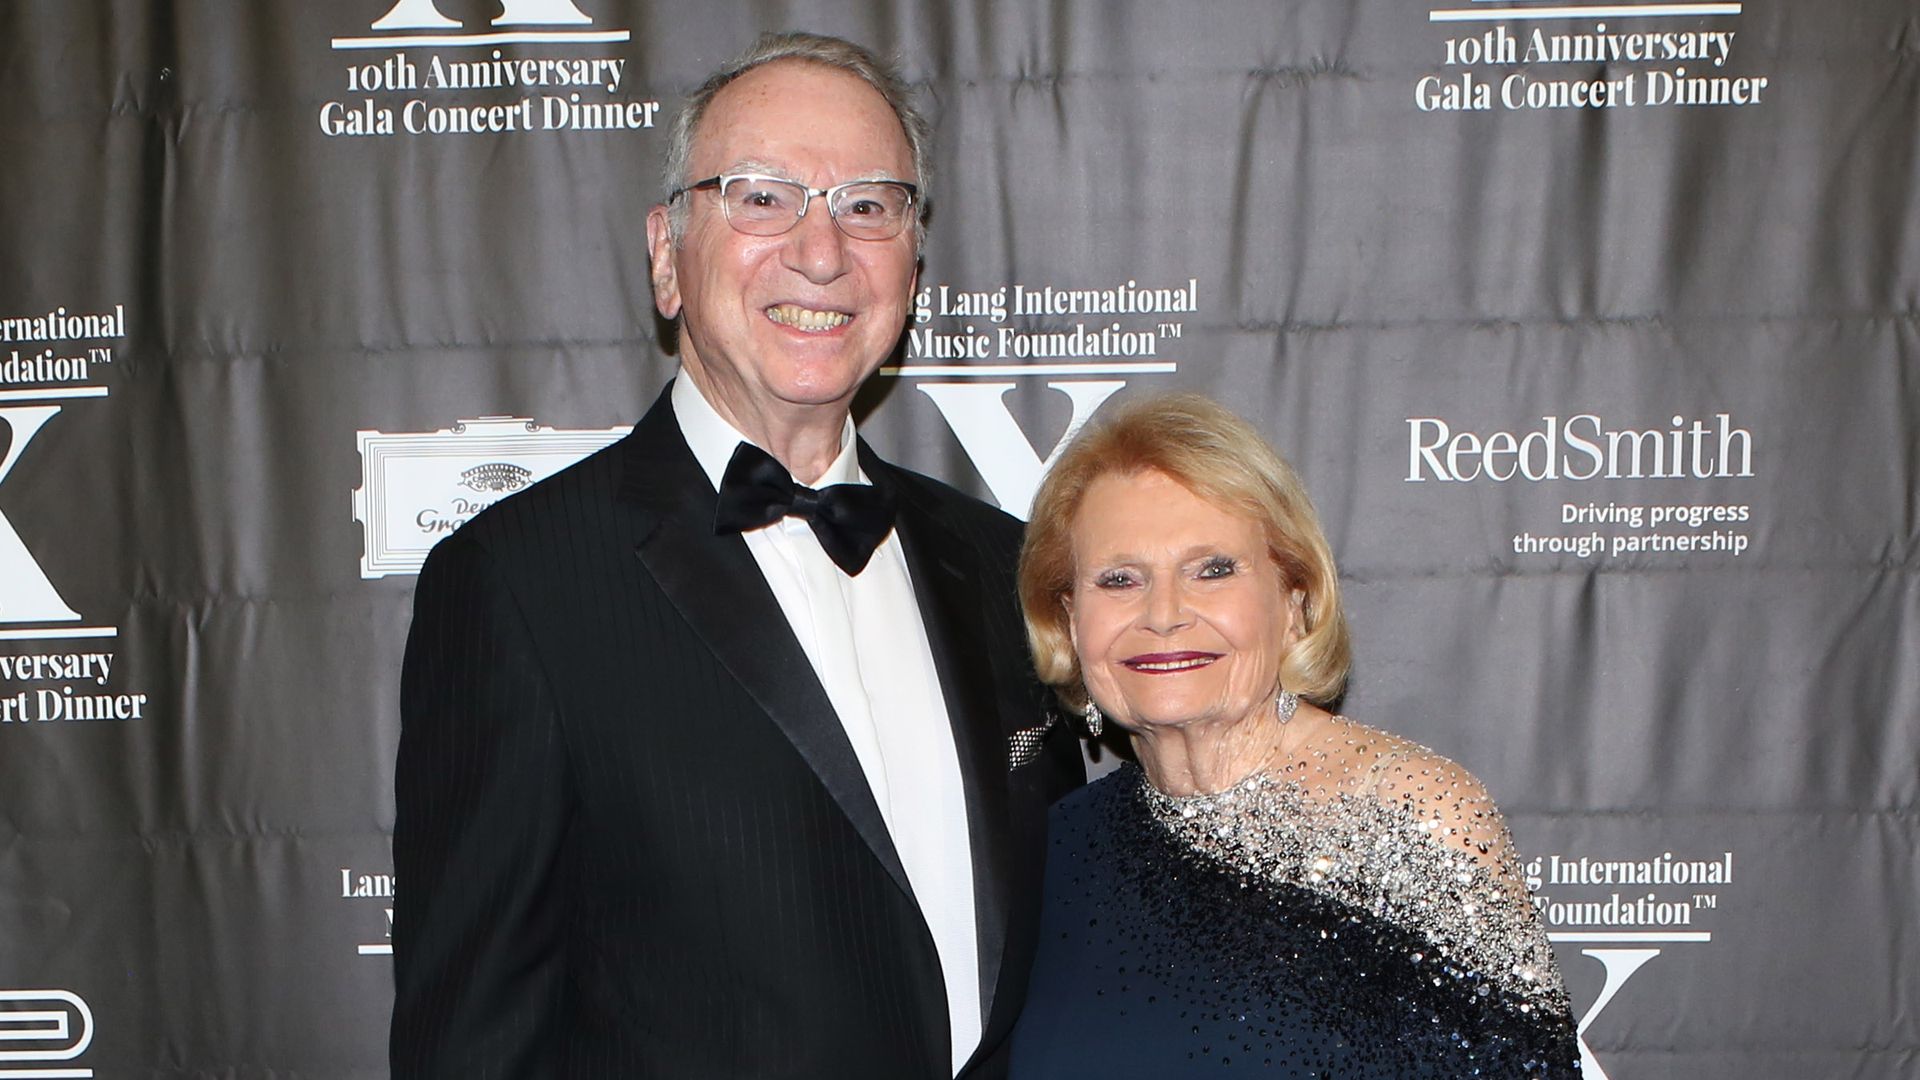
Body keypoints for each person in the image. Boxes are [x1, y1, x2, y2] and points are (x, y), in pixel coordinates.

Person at [390, 31, 1082, 1079]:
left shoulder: (998, 564)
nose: (821, 251)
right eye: (761, 197)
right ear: (667, 256)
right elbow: (475, 1043)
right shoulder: (520, 586)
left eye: (868, 204)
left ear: (913, 263)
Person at [1008, 394, 1579, 1077]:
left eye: (1212, 569)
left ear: (1294, 601)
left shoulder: (1412, 819)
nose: (1162, 614)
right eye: (1119, 579)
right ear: (1070, 621)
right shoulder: (1062, 850)